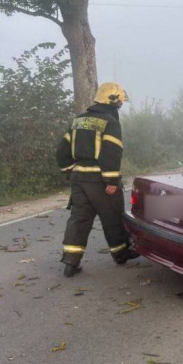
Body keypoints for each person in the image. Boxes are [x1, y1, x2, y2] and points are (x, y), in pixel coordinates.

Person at [55, 82, 139, 277]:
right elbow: (111, 153)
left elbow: (62, 151)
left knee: (79, 219)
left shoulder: (78, 121)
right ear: (113, 101)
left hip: (79, 178)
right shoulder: (110, 122)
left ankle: (70, 261)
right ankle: (121, 254)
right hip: (100, 180)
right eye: (120, 102)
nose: (121, 106)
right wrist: (110, 181)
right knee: (113, 217)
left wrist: (69, 170)